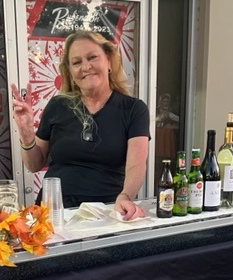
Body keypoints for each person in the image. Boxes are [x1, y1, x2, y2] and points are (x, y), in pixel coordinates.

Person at [11, 30, 150, 220]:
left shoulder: (133, 109)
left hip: (106, 213)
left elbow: (136, 165)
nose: (86, 67)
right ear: (69, 71)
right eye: (76, 62)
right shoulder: (58, 105)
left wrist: (126, 196)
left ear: (109, 61)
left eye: (92, 57)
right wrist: (26, 131)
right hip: (53, 213)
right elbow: (34, 164)